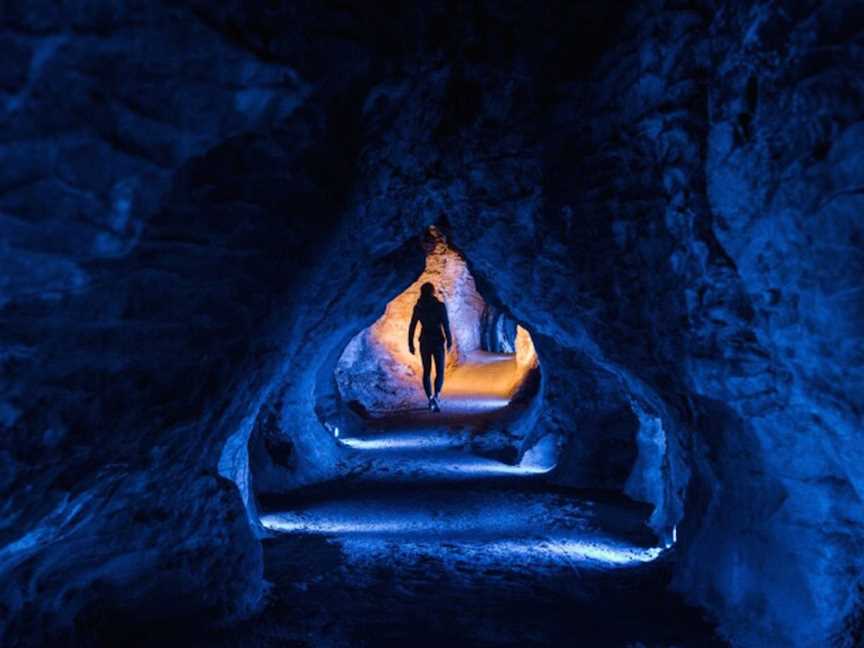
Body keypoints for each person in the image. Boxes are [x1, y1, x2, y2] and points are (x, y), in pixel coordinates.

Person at [408, 282, 453, 412]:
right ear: (432, 292)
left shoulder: (418, 307)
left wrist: (410, 343)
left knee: (426, 371)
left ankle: (430, 399)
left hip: (425, 341)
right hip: (437, 341)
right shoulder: (440, 306)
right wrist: (449, 341)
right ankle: (437, 396)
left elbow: (412, 326)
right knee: (439, 370)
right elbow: (446, 325)